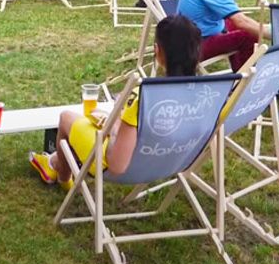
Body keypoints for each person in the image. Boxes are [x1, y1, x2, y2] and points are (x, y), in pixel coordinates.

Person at [28, 15, 201, 189]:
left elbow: (117, 165)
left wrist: (116, 120)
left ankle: (62, 177)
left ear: (158, 51)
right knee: (100, 120)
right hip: (171, 161)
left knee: (66, 118)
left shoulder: (143, 96)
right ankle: (53, 161)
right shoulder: (207, 95)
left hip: (124, 165)